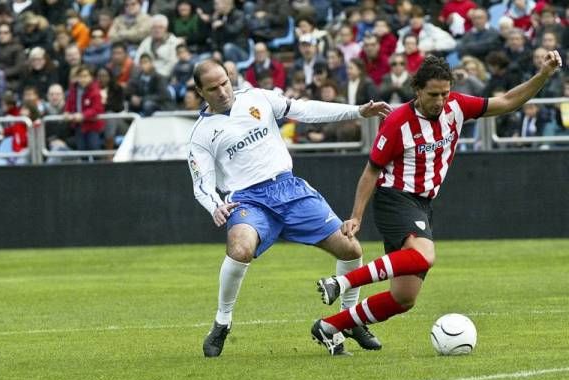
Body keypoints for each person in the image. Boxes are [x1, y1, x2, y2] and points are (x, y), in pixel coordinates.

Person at [311, 51, 564, 356]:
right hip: (395, 198)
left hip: (422, 205)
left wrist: (543, 75)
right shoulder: (397, 122)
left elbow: (507, 102)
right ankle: (341, 282)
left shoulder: (456, 105)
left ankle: (329, 326)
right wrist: (356, 216)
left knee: (403, 298)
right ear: (417, 90)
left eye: (444, 93)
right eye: (433, 94)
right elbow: (371, 171)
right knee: (425, 255)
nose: (440, 100)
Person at [188, 59, 393, 358]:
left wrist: (357, 111)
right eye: (213, 88)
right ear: (199, 92)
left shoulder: (257, 97)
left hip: (289, 189)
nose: (222, 91)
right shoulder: (201, 135)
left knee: (351, 249)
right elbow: (201, 182)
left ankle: (349, 320)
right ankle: (222, 321)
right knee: (240, 248)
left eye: (225, 82)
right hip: (248, 199)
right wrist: (215, 206)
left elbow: (305, 110)